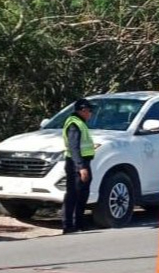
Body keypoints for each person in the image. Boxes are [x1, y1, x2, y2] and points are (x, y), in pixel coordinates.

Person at [62, 98, 95, 234]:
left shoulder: (80, 123)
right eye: (89, 111)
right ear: (83, 110)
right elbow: (74, 147)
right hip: (76, 164)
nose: (90, 114)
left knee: (82, 194)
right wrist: (81, 167)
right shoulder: (74, 124)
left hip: (81, 162)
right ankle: (68, 225)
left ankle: (79, 224)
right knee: (73, 195)